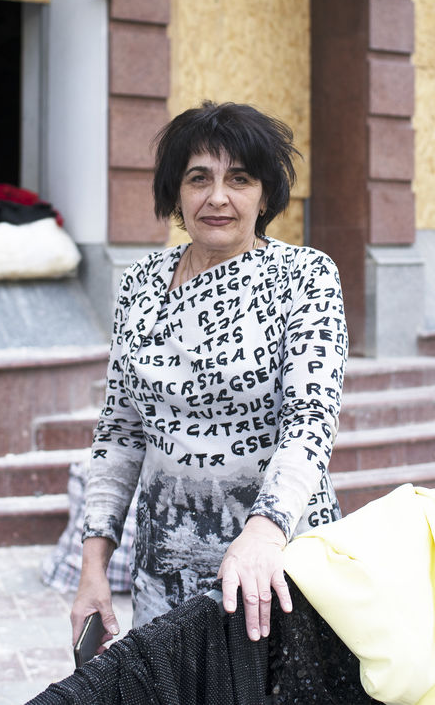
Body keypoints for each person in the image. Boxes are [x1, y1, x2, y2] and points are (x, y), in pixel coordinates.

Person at [71, 101, 349, 651]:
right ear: (176, 192)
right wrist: (93, 567)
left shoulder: (305, 277)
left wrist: (264, 532)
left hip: (275, 566)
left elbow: (310, 421)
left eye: (239, 179)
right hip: (164, 571)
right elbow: (121, 433)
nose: (217, 197)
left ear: (265, 196)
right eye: (199, 178)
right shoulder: (140, 284)